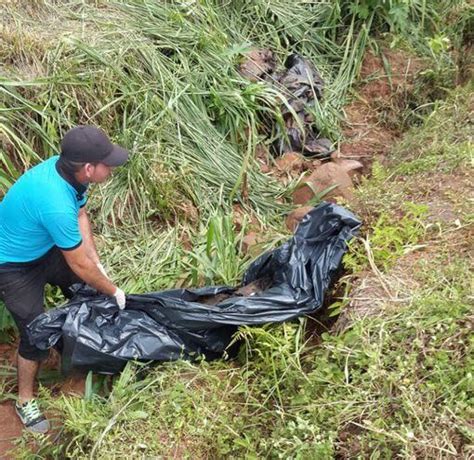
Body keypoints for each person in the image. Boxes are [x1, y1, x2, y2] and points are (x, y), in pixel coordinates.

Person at [0, 125, 129, 433]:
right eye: (106, 164)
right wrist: (113, 289)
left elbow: (81, 216)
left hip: (43, 247)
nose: (110, 168)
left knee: (84, 289)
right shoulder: (54, 200)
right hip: (12, 265)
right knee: (34, 333)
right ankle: (25, 400)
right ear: (88, 168)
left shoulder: (70, 176)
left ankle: (82, 347)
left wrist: (95, 259)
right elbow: (77, 262)